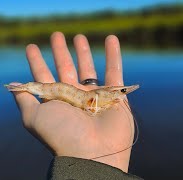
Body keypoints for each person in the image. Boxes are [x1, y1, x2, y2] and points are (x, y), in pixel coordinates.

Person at [9, 32, 142, 179]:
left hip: (69, 93)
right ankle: (27, 87)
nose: (123, 93)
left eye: (123, 91)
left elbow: (96, 102)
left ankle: (28, 87)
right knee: (44, 89)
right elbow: (93, 103)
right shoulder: (95, 98)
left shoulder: (104, 97)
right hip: (56, 90)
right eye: (123, 91)